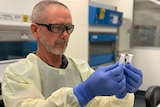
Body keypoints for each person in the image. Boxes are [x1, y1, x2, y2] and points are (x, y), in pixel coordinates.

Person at [2, 0, 143, 107]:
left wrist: (121, 93)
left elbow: (103, 103)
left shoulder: (80, 68)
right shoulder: (16, 74)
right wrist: (81, 94)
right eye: (57, 27)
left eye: (68, 28)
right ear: (35, 30)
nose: (65, 35)